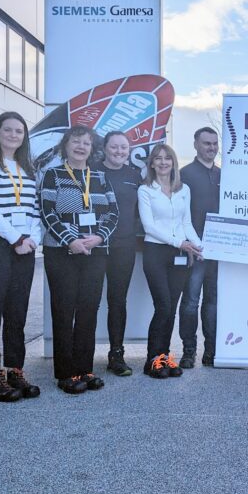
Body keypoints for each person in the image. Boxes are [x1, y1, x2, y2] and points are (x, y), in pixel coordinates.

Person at [40, 125, 118, 394]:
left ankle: (85, 368)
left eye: (86, 143)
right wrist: (70, 240)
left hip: (95, 252)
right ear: (66, 145)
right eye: (76, 141)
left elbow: (113, 213)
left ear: (91, 148)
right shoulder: (53, 174)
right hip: (61, 252)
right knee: (64, 311)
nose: (81, 147)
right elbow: (47, 212)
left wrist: (98, 237)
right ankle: (65, 373)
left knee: (88, 310)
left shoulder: (100, 177)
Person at [0, 112, 42, 402]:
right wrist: (16, 239)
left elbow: (35, 209)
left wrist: (32, 239)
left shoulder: (28, 168)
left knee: (17, 309)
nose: (14, 135)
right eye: (8, 130)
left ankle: (15, 369)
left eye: (19, 131)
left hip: (24, 244)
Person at [138, 143, 202, 378]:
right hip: (156, 252)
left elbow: (187, 223)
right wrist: (180, 243)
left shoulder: (183, 189)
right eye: (158, 158)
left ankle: (163, 358)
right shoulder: (145, 190)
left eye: (168, 158)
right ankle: (152, 360)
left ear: (174, 163)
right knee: (163, 306)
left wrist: (200, 247)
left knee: (171, 309)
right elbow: (149, 226)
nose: (163, 162)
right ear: (152, 164)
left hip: (180, 255)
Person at [95, 131, 143, 376]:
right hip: (94, 246)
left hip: (124, 247)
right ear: (104, 148)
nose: (119, 151)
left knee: (117, 301)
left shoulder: (134, 176)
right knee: (89, 301)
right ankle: (81, 354)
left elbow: (140, 212)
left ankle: (116, 354)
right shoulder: (91, 171)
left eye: (124, 147)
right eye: (114, 146)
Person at [178, 127, 220, 368]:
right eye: (206, 143)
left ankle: (211, 351)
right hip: (194, 250)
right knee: (191, 301)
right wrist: (189, 244)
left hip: (220, 249)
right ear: (195, 144)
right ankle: (189, 351)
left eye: (214, 143)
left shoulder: (223, 175)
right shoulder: (184, 175)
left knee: (213, 301)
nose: (211, 147)